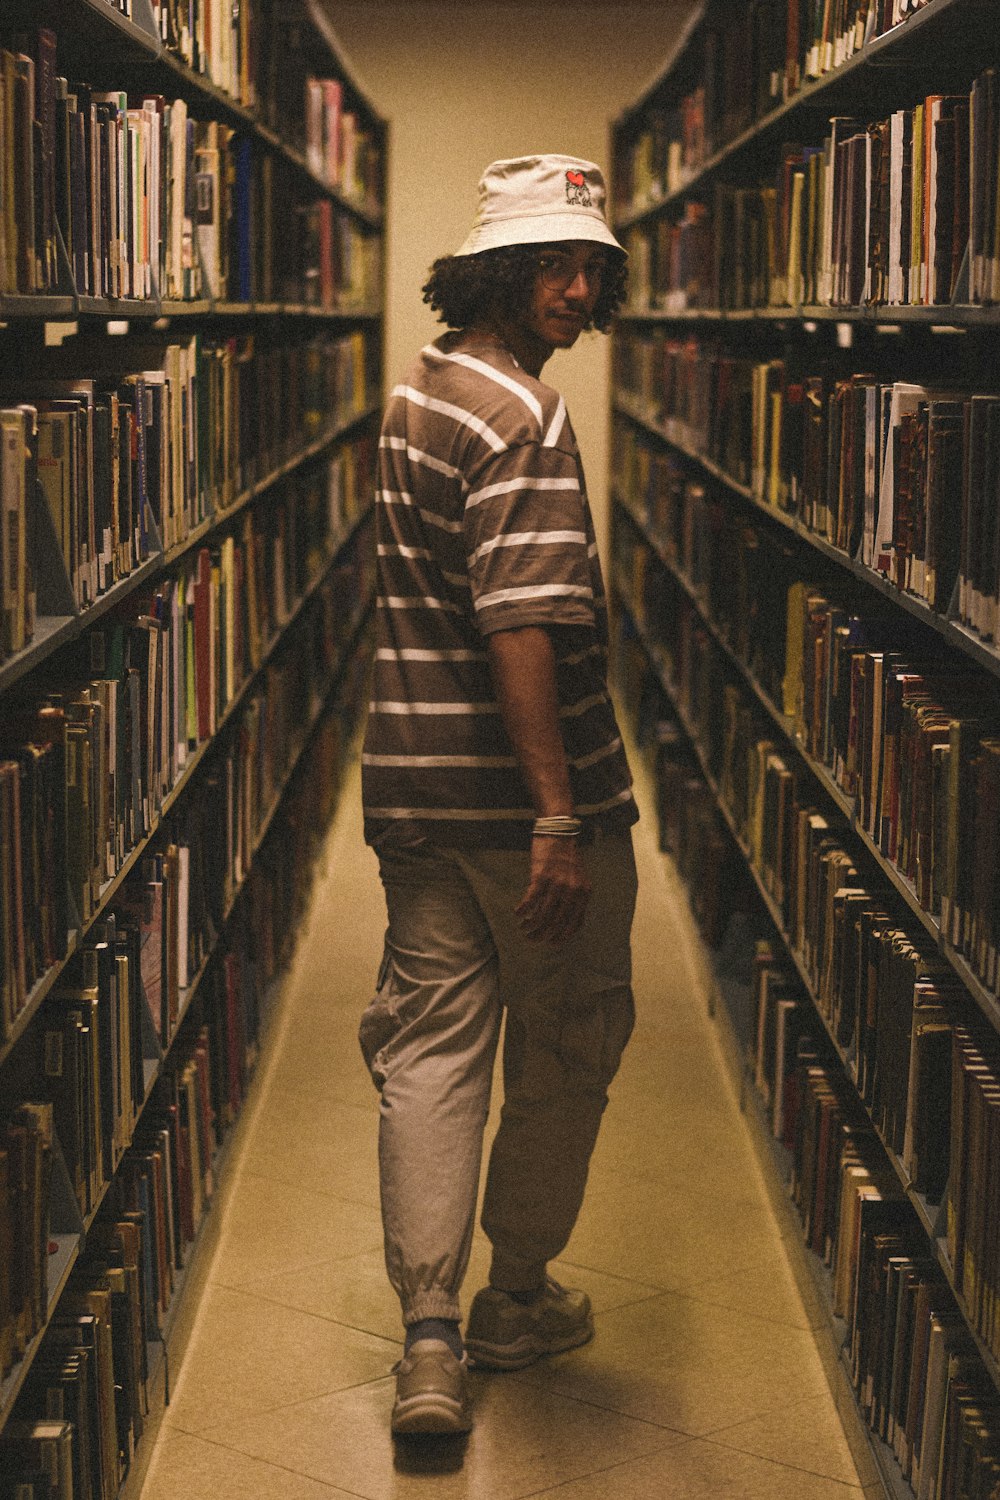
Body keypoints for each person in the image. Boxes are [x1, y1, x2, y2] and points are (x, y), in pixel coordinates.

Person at [359, 153, 639, 1437]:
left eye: (591, 267)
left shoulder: (419, 394)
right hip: (516, 806)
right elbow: (520, 624)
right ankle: (511, 1301)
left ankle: (424, 1339)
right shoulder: (524, 419)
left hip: (411, 788)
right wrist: (556, 814)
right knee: (569, 1040)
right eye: (551, 265)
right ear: (493, 272)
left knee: (426, 1050)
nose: (576, 288)